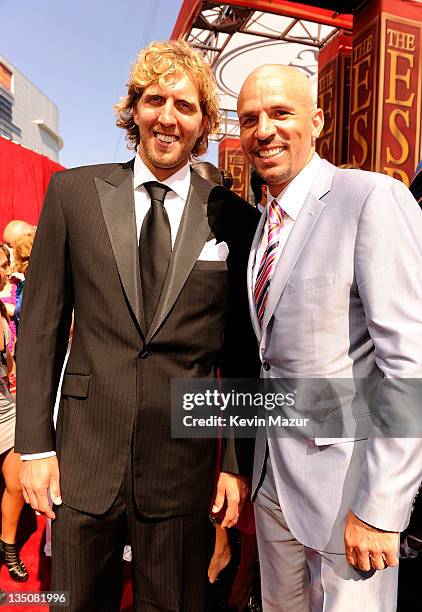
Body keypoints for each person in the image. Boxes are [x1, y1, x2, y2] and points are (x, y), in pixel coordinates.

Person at [15, 40, 258, 611]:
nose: (168, 117)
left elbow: (241, 353)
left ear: (203, 123)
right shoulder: (73, 193)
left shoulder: (232, 215)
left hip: (182, 468)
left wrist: (233, 463)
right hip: (83, 461)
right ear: (134, 110)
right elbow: (42, 327)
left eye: (185, 104)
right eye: (155, 100)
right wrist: (33, 448)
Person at [237, 64, 422, 611]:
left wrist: (382, 507)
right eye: (250, 119)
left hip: (348, 493)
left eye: (280, 113)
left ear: (316, 121)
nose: (263, 130)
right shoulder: (263, 223)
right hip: (272, 483)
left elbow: (407, 363)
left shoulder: (370, 198)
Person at [0, 245, 28, 589]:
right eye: (2, 266)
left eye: (7, 264)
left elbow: (10, 357)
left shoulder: (5, 311)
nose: (8, 271)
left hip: (6, 406)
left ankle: (8, 545)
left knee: (16, 481)